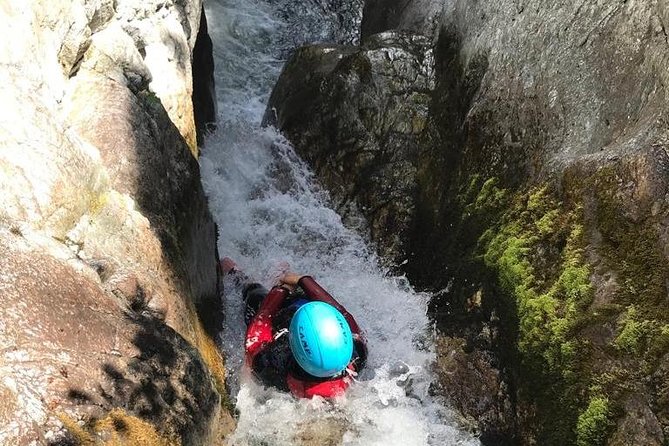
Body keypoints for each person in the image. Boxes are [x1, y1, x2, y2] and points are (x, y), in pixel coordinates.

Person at [221, 257, 368, 398]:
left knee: (255, 295)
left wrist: (280, 290)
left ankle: (238, 274)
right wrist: (303, 280)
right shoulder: (357, 355)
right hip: (304, 309)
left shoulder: (273, 367)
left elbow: (256, 334)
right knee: (301, 294)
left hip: (286, 314)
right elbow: (342, 313)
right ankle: (287, 278)